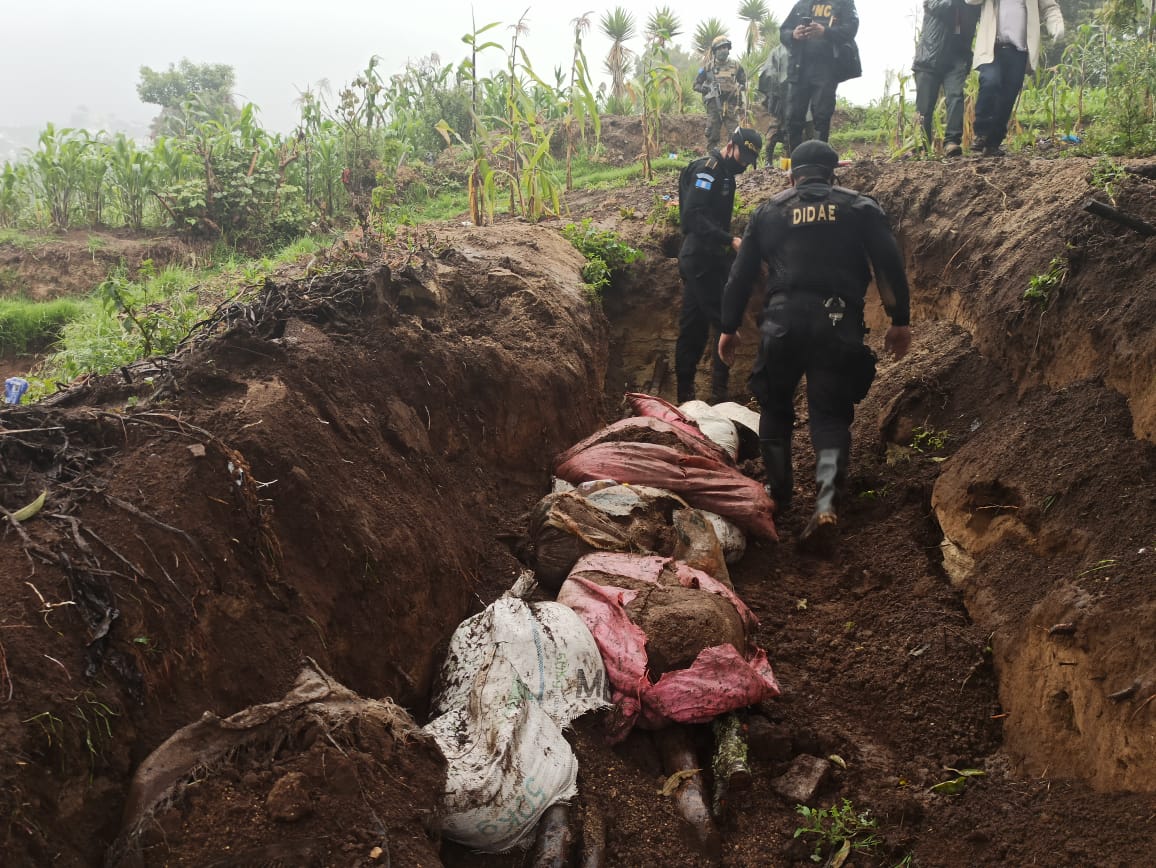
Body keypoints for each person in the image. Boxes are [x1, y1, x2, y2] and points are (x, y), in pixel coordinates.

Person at [717, 141, 911, 551]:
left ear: (792, 175)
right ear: (833, 173)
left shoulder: (769, 211)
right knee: (828, 414)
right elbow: (889, 266)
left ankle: (779, 492)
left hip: (782, 323)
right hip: (837, 324)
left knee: (775, 407)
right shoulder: (860, 208)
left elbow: (741, 274)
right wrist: (899, 319)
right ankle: (825, 502)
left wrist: (728, 326)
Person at [675, 127, 763, 405]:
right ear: (730, 146)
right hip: (699, 258)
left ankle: (693, 395)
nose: (744, 164)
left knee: (694, 326)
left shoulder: (725, 174)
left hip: (711, 258)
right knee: (725, 323)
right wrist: (729, 239)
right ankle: (716, 395)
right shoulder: (707, 171)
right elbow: (692, 218)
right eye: (743, 157)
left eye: (750, 160)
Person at [966, 0, 1064, 156]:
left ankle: (993, 144)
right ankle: (982, 134)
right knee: (990, 82)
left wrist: (1056, 24)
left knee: (1007, 97)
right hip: (993, 48)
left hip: (1019, 51)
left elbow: (1050, 7)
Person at [779, 0, 860, 152]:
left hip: (827, 69)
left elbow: (851, 29)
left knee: (822, 116)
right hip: (800, 68)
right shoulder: (802, 4)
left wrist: (825, 32)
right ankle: (795, 161)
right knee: (793, 117)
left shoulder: (843, 3)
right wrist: (793, 34)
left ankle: (818, 160)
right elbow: (783, 31)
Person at [913, 0, 981, 158]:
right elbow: (938, 6)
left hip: (957, 58)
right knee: (924, 107)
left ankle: (952, 142)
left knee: (955, 97)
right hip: (929, 57)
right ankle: (923, 147)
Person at [693, 36, 748, 151]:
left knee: (735, 134)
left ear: (729, 49)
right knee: (712, 134)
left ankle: (731, 158)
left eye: (725, 47)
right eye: (720, 48)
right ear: (714, 51)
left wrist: (738, 88)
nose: (723, 50)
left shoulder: (736, 65)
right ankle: (712, 159)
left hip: (731, 104)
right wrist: (707, 89)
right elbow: (696, 85)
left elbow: (744, 83)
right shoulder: (707, 67)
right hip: (714, 106)